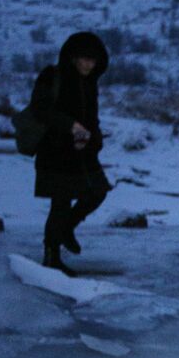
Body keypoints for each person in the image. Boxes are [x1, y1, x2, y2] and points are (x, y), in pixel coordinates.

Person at [32, 31, 111, 275]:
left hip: (83, 153)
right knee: (60, 203)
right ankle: (51, 255)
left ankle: (66, 228)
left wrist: (93, 141)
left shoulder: (90, 83)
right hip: (55, 150)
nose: (88, 64)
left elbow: (92, 118)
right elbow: (41, 109)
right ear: (73, 58)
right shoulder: (52, 76)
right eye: (84, 59)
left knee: (97, 191)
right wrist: (70, 126)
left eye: (93, 60)